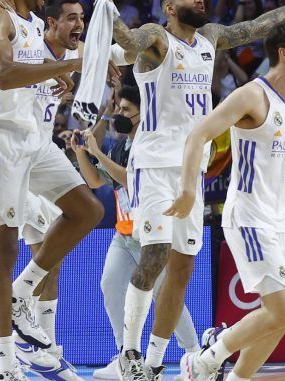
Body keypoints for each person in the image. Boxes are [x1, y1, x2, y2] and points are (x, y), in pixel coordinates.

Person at [108, 1, 285, 379]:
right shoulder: (157, 37)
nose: (201, 2)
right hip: (154, 161)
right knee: (155, 254)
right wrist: (107, 13)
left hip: (193, 164)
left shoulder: (210, 37)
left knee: (183, 266)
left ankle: (154, 361)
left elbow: (258, 26)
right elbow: (128, 39)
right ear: (169, 7)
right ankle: (130, 352)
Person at [164, 20, 285, 381]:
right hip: (251, 217)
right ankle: (205, 359)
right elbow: (199, 134)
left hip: (283, 221)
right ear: (284, 53)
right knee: (281, 309)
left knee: (282, 317)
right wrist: (189, 188)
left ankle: (235, 376)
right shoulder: (253, 95)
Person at [0, 1, 101, 380]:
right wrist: (67, 66)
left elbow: (61, 55)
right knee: (3, 250)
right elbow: (3, 74)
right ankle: (7, 362)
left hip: (31, 139)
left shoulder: (35, 23)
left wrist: (90, 63)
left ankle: (24, 291)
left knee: (87, 210)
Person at [74, 85, 201, 379]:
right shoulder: (121, 146)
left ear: (145, 114)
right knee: (110, 285)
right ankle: (126, 357)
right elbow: (95, 181)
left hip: (153, 237)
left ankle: (194, 353)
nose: (119, 114)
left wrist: (96, 152)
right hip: (125, 235)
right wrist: (81, 153)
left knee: (165, 295)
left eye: (126, 110)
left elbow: (133, 181)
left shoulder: (152, 143)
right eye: (118, 109)